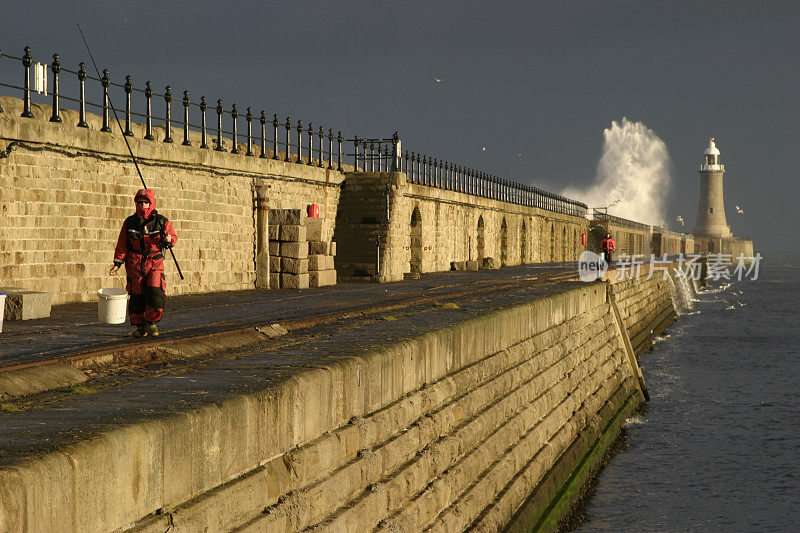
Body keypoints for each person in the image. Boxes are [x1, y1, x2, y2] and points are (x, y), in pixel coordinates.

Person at [109, 189, 177, 337]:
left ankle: (151, 323)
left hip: (155, 262)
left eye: (146, 203)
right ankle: (140, 327)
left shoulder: (161, 221)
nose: (143, 206)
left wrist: (168, 240)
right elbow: (122, 244)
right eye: (140, 203)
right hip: (135, 263)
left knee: (155, 291)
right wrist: (117, 263)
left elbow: (172, 237)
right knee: (136, 294)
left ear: (151, 204)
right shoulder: (130, 222)